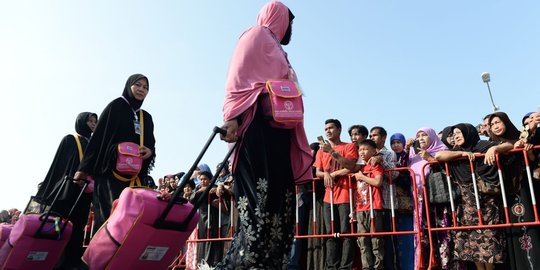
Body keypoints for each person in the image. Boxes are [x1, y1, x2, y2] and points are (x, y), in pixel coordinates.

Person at [218, 1, 312, 268]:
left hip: (279, 135)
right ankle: (248, 263)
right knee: (259, 203)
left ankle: (271, 262)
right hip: (255, 131)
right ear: (278, 17)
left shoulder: (278, 49)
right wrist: (231, 119)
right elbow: (237, 81)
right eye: (289, 21)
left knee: (278, 203)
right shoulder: (255, 34)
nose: (290, 27)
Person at [74, 74, 155, 233]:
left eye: (145, 88)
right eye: (138, 85)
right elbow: (98, 139)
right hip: (110, 177)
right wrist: (83, 170)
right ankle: (101, 257)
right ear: (129, 85)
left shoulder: (146, 117)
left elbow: (151, 143)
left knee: (131, 222)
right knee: (109, 219)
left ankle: (124, 257)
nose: (141, 90)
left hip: (135, 178)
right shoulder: (116, 106)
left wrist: (149, 150)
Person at [435, 123, 508, 270]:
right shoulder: (456, 152)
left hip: (486, 203)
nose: (456, 136)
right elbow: (439, 155)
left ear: (468, 133)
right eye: (454, 134)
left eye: (459, 133)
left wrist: (494, 148)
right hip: (466, 205)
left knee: (489, 240)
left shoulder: (483, 146)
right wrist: (462, 154)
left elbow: (509, 145)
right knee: (470, 243)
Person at [35, 111, 97, 270]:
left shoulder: (94, 144)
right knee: (57, 228)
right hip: (66, 192)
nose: (92, 124)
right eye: (90, 120)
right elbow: (60, 167)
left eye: (94, 121)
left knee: (77, 230)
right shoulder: (71, 140)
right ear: (81, 122)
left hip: (83, 194)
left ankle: (70, 263)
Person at [488, 112, 540, 270]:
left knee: (530, 227)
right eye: (492, 125)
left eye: (498, 122)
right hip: (505, 192)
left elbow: (530, 158)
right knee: (513, 230)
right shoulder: (490, 144)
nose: (496, 127)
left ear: (506, 122)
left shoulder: (520, 137)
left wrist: (527, 148)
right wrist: (495, 148)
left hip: (524, 188)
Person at [317, 119, 358, 270]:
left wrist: (332, 155)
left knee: (347, 233)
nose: (327, 131)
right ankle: (331, 266)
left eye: (331, 128)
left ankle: (345, 266)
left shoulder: (349, 146)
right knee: (330, 233)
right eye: (325, 128)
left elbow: (351, 166)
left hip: (346, 195)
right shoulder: (321, 151)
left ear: (339, 130)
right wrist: (326, 175)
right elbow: (318, 171)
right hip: (329, 197)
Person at [354, 139, 385, 270]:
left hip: (374, 207)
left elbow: (378, 182)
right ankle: (367, 267)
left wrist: (362, 177)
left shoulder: (375, 165)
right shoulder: (359, 166)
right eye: (360, 149)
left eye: (365, 149)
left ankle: (378, 267)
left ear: (374, 151)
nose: (362, 152)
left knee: (375, 240)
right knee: (362, 241)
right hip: (360, 208)